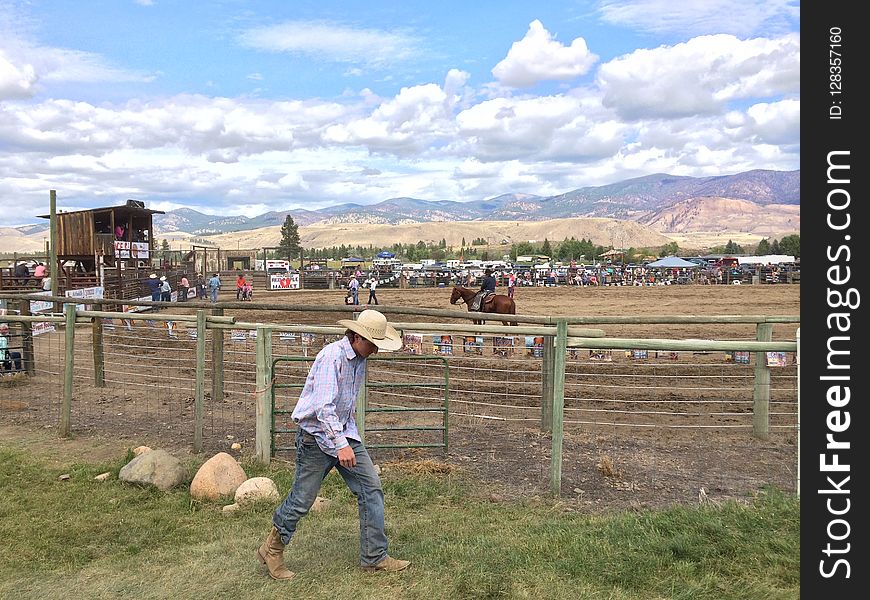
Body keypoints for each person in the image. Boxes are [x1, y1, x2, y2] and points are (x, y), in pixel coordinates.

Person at [257, 309, 410, 580]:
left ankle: (374, 556)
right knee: (302, 499)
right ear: (357, 337)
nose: (376, 350)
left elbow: (343, 406)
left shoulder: (359, 360)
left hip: (343, 434)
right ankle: (272, 548)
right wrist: (341, 445)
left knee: (371, 488)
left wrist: (346, 440)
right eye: (374, 344)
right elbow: (323, 407)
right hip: (316, 437)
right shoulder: (332, 357)